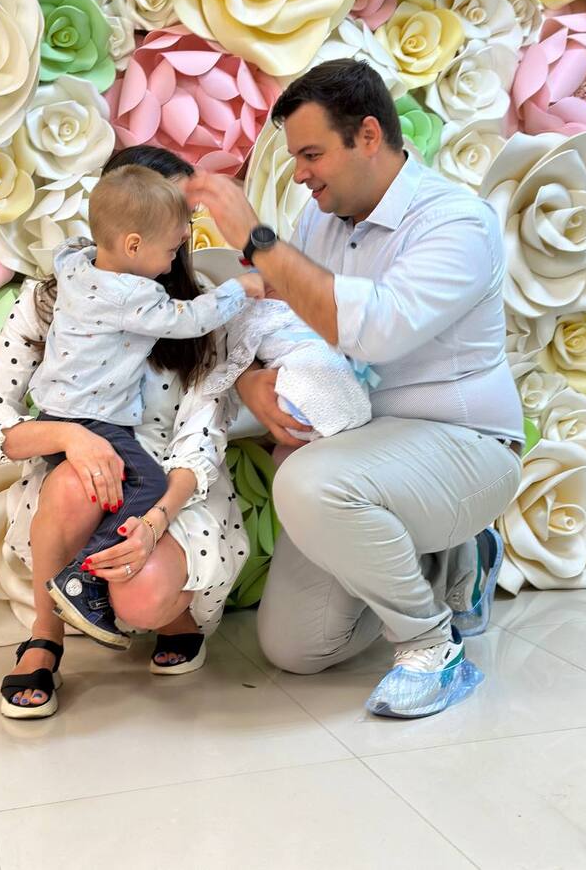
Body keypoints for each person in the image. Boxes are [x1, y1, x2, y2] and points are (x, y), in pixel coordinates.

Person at [186, 58, 524, 719]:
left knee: (307, 481)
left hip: (466, 445)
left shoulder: (457, 221)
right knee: (297, 647)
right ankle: (451, 563)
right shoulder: (323, 218)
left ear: (368, 135)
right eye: (295, 157)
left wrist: (257, 239)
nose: (300, 173)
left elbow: (373, 332)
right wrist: (251, 381)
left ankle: (432, 648)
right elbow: (285, 314)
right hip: (364, 447)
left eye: (312, 154)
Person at [0, 147, 250, 720]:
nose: (182, 233)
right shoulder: (53, 297)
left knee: (142, 592)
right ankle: (47, 632)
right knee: (77, 476)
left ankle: (171, 615)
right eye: (170, 217)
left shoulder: (195, 310)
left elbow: (200, 438)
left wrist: (155, 521)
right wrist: (69, 437)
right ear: (130, 233)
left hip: (174, 487)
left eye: (184, 219)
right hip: (81, 475)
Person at [31, 166, 262, 649]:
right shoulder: (131, 295)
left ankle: (103, 580)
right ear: (134, 245)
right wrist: (242, 288)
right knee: (147, 484)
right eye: (173, 247)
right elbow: (192, 318)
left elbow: (75, 245)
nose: (178, 254)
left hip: (54, 412)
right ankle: (83, 578)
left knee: (122, 488)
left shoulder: (75, 267)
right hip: (90, 422)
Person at [202, 278, 373, 440]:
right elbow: (240, 346)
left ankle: (332, 403)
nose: (269, 285)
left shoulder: (316, 298)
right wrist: (245, 378)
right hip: (292, 364)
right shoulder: (254, 313)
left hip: (327, 355)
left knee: (326, 359)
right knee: (310, 361)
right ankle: (309, 404)